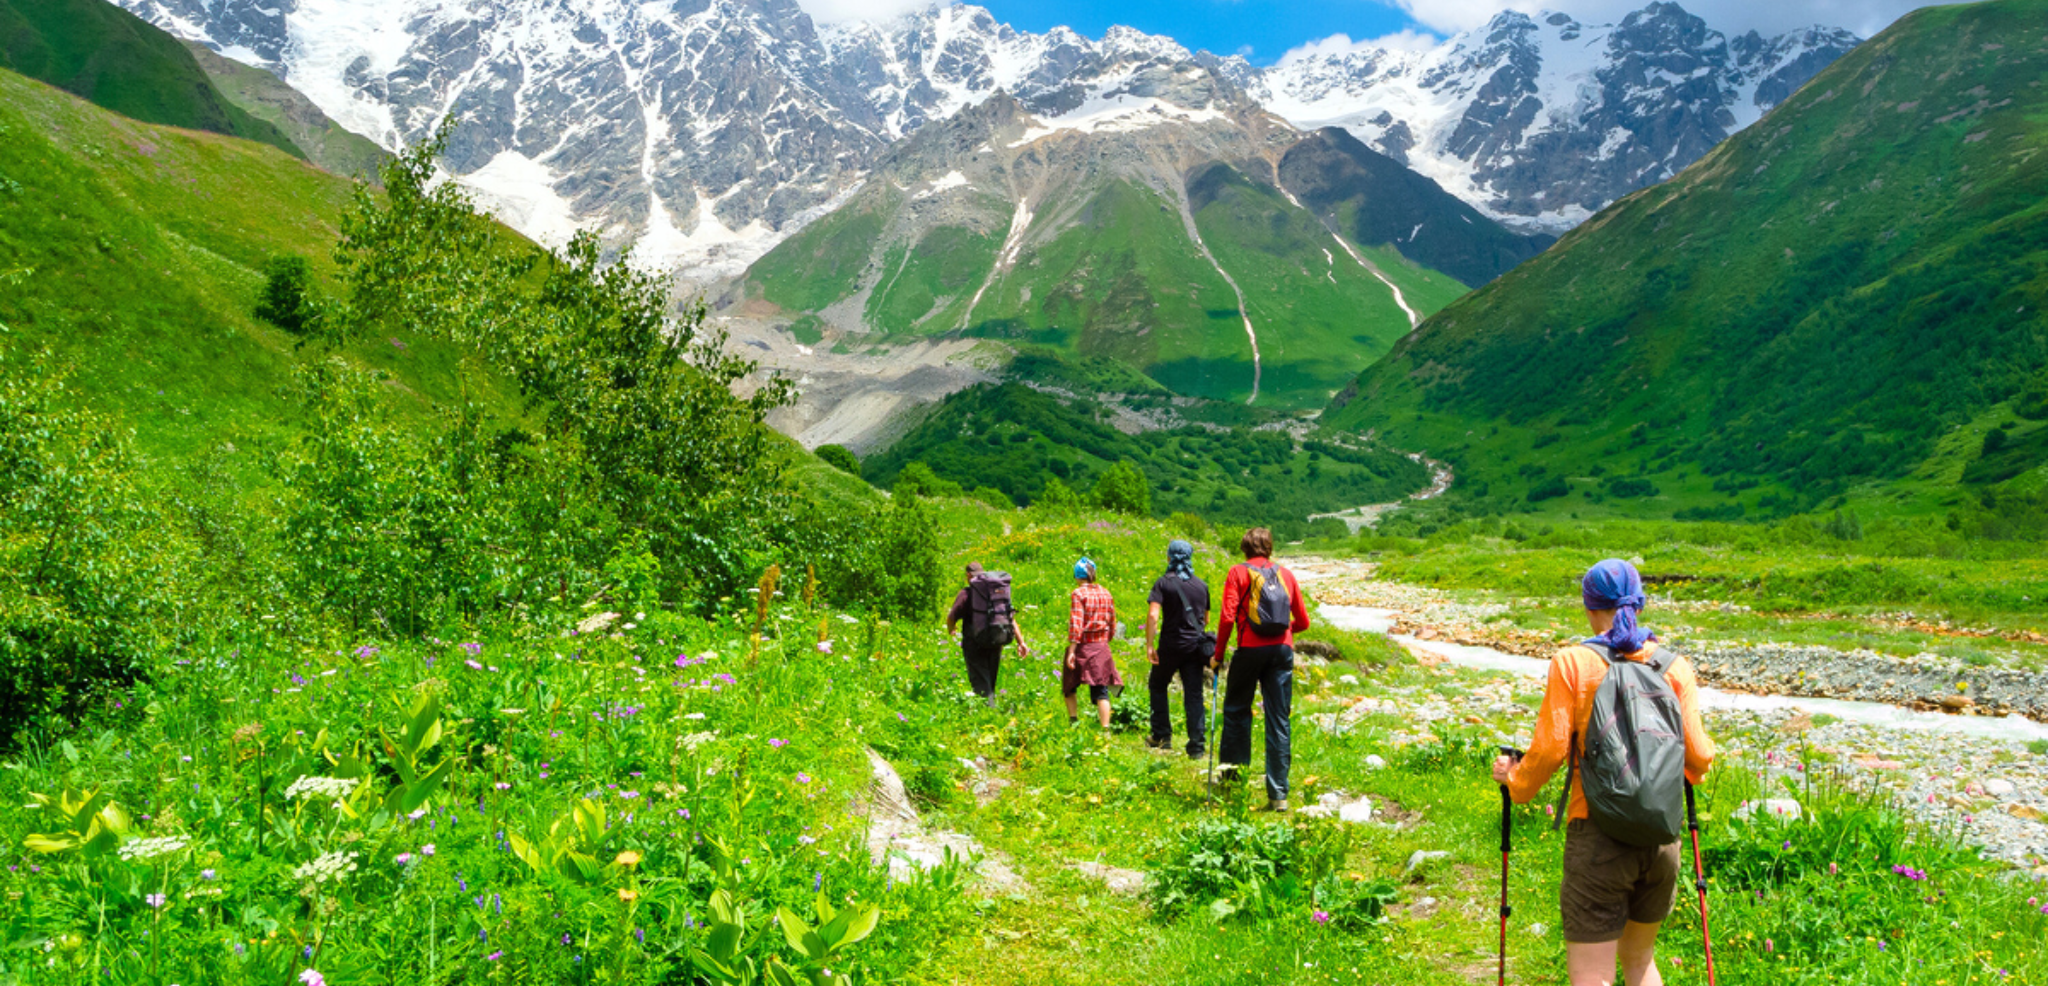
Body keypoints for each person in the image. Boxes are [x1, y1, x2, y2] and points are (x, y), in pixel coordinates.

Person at [1490, 558, 1716, 986]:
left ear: (1589, 606)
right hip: (1661, 838)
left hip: (1598, 835)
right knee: (1640, 961)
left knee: (1593, 974)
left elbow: (1550, 750)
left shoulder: (1573, 663)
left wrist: (1515, 782)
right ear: (1640, 604)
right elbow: (1700, 756)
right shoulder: (1674, 666)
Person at [1210, 527, 1309, 811]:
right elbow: (1303, 621)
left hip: (1249, 650)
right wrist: (1285, 633)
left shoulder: (1237, 572)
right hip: (1282, 651)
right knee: (1279, 719)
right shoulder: (1286, 574)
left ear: (1244, 547)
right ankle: (1278, 795)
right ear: (1269, 547)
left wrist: (1218, 655)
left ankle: (1232, 783)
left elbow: (1227, 617)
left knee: (1236, 712)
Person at [1144, 539, 1211, 757]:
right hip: (1194, 647)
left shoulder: (1163, 583)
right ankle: (1197, 746)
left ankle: (1162, 736)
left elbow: (1153, 615)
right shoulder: (1201, 586)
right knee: (1194, 694)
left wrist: (1149, 645)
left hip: (1170, 645)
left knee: (1158, 684)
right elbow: (1206, 619)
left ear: (1169, 558)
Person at [945, 563, 1029, 704]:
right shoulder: (994, 592)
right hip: (996, 640)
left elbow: (951, 617)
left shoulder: (966, 593)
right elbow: (1010, 618)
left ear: (968, 575)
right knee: (990, 681)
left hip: (974, 643)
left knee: (981, 684)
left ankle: (988, 711)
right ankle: (991, 707)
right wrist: (1021, 642)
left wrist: (951, 629)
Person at [1063, 557, 1122, 728]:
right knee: (1101, 689)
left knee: (1069, 684)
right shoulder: (1105, 592)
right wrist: (1106, 640)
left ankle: (1073, 722)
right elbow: (1112, 620)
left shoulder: (1078, 594)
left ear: (1076, 576)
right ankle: (1106, 729)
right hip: (1101, 645)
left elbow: (1076, 623)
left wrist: (1072, 650)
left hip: (1083, 646)